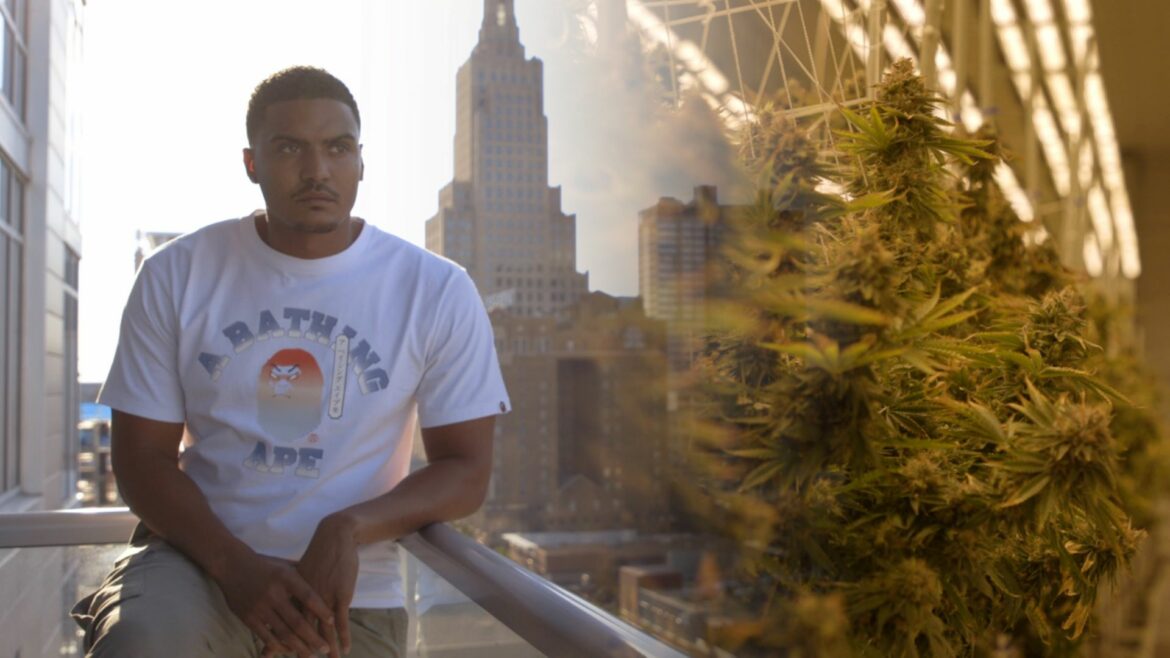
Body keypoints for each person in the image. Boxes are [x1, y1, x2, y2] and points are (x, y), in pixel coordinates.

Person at [71, 66, 510, 658]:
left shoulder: (435, 289)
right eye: (289, 148)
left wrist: (349, 527)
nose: (317, 170)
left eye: (338, 147)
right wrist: (235, 567)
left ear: (361, 161)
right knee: (143, 645)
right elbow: (140, 461)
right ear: (251, 164)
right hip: (194, 561)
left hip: (348, 594)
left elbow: (465, 471)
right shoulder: (178, 273)